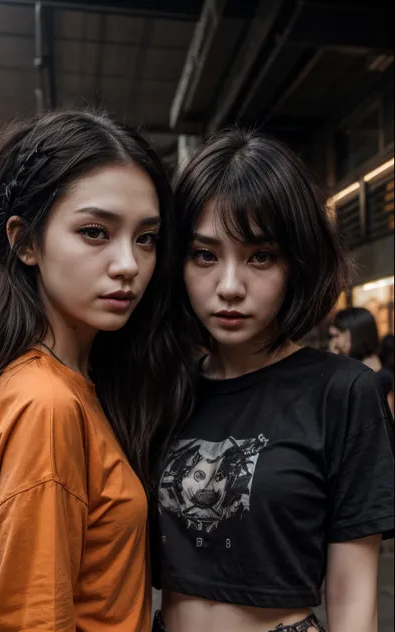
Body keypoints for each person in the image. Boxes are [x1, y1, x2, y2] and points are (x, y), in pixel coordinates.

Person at [0, 109, 192, 632]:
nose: (128, 263)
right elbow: (30, 620)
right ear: (25, 242)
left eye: (146, 238)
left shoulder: (75, 385)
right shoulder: (46, 402)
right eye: (95, 231)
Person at [153, 128, 394, 632]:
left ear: (296, 264)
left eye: (260, 256)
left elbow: (353, 598)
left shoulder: (344, 392)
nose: (230, 287)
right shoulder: (162, 389)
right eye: (205, 255)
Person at [330, 307, 394, 414]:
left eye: (336, 336)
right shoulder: (369, 375)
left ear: (355, 334)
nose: (333, 343)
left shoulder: (376, 379)